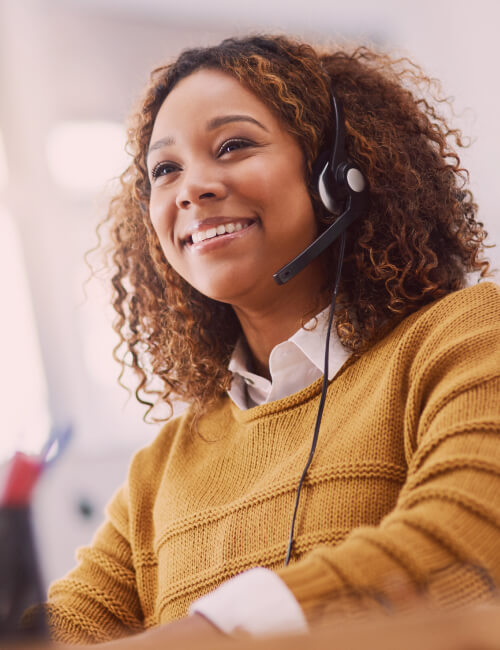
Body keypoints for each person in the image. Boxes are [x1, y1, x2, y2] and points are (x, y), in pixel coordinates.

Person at [43, 35, 500, 645]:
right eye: (165, 169)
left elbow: (466, 547)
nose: (192, 188)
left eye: (233, 146)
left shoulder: (467, 336)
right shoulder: (163, 467)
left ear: (339, 175)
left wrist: (215, 632)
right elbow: (64, 631)